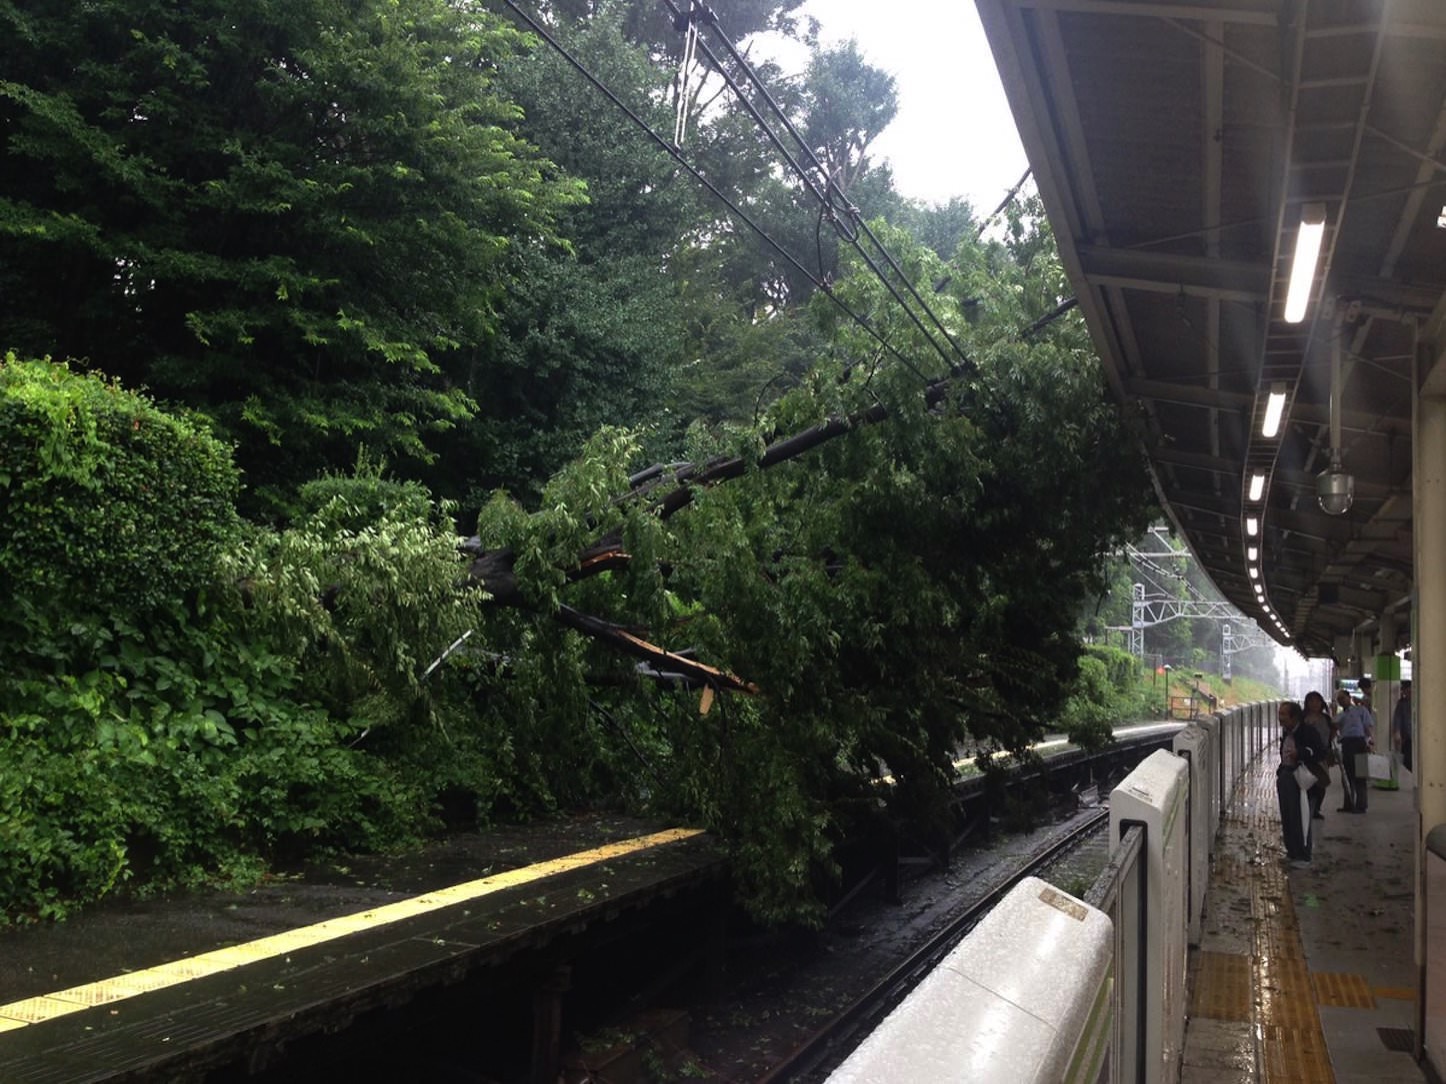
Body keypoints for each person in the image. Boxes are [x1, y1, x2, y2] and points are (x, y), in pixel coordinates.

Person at [1278, 700, 1327, 868]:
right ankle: (1292, 852)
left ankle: (1304, 856)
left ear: (1294, 717)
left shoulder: (1308, 732)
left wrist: (1301, 753)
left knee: (1301, 817)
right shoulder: (1286, 732)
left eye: (1284, 714)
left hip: (1304, 783)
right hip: (1287, 776)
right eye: (1280, 714)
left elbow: (1320, 753)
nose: (1280, 718)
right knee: (1288, 817)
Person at [1336, 687, 1375, 813]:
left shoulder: (1361, 710)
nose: (1341, 701)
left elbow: (1368, 727)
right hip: (1347, 745)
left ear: (1349, 697)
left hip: (1360, 743)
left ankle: (1361, 805)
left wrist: (1370, 741)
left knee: (1360, 775)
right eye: (1338, 699)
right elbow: (1333, 727)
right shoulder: (1340, 716)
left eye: (1342, 698)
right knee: (1347, 776)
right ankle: (1348, 804)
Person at [1301, 691, 1334, 819]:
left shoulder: (1326, 718)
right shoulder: (1302, 718)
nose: (1314, 704)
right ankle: (1308, 808)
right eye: (1311, 701)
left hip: (1322, 755)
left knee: (1322, 783)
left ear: (1321, 703)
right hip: (1307, 756)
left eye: (1317, 701)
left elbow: (1331, 735)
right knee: (1309, 783)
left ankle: (1316, 808)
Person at [1393, 680, 1412, 773]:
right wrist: (1397, 732)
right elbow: (1397, 718)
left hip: (1416, 737)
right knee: (1406, 760)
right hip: (1407, 737)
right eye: (1404, 691)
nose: (1406, 693)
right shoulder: (1402, 703)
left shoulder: (1420, 702)